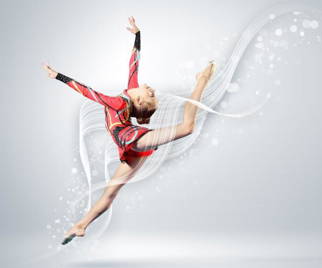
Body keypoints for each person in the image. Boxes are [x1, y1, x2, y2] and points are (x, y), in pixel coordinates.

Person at [42, 17, 215, 245]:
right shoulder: (131, 92)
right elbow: (134, 63)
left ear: (140, 100)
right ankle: (81, 225)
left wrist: (58, 77)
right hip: (129, 143)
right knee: (111, 193)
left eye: (150, 93)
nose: (149, 88)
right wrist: (137, 34)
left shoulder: (119, 103)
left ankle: (201, 81)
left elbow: (88, 92)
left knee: (186, 127)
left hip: (133, 139)